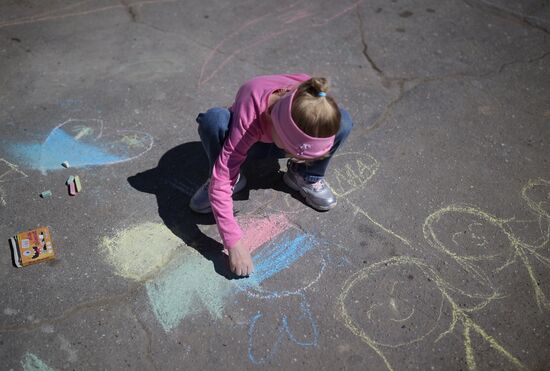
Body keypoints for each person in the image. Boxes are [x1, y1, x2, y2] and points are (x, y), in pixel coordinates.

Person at [190, 74, 353, 276]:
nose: (298, 157)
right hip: (251, 142)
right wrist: (234, 243)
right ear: (275, 125)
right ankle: (234, 176)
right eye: (298, 155)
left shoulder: (311, 97)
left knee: (343, 120)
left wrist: (302, 151)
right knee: (214, 121)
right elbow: (221, 181)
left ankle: (304, 175)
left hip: (276, 138)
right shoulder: (249, 114)